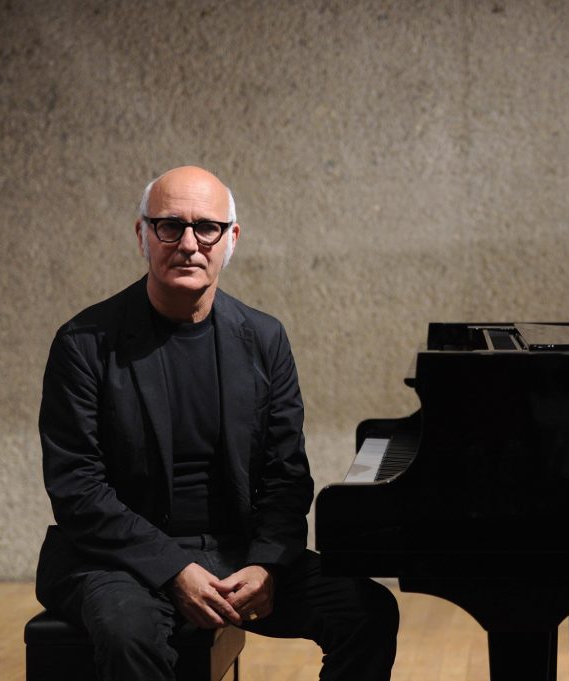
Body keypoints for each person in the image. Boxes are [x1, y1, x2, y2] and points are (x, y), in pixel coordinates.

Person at [35, 165, 398, 680]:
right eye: (169, 226)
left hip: (236, 552)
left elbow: (286, 474)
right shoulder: (84, 343)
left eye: (207, 227)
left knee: (368, 611)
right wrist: (173, 569)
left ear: (232, 239)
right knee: (128, 634)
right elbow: (78, 489)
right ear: (142, 234)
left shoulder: (265, 339)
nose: (189, 243)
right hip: (118, 558)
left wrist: (268, 563)